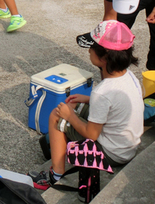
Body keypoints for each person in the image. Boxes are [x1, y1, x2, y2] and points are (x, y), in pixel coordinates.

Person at [29, 21, 144, 189]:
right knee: (75, 106)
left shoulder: (102, 92)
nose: (89, 50)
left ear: (104, 57)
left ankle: (56, 174)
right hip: (128, 147)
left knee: (56, 114)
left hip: (111, 155)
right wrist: (88, 100)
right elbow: (116, 104)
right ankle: (63, 148)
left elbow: (91, 134)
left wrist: (70, 116)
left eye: (91, 47)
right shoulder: (130, 77)